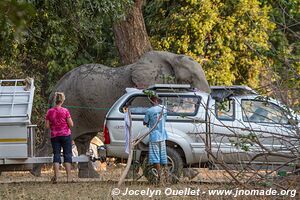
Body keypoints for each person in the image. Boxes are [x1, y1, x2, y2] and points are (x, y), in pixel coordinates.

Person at [45, 92, 74, 183]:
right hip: (65, 135)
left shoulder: (50, 111)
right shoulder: (65, 111)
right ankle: (69, 178)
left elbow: (47, 126)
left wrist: (54, 125)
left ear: (55, 100)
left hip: (55, 136)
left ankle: (57, 176)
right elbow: (71, 124)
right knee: (67, 155)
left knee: (56, 155)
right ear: (62, 100)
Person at [143, 96, 167, 182]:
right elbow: (165, 119)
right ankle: (166, 176)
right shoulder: (164, 108)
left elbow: (145, 122)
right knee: (163, 156)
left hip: (154, 137)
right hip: (163, 136)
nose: (151, 103)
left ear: (155, 101)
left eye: (151, 101)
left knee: (156, 157)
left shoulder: (149, 111)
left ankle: (160, 177)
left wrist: (149, 122)